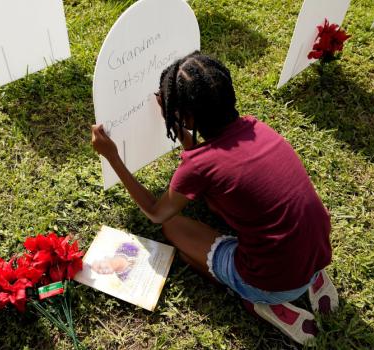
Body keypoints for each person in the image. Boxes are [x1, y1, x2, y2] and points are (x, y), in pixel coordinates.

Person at [91, 51, 338, 346]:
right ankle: (308, 281)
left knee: (175, 232)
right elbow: (213, 166)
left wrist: (113, 157)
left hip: (271, 281)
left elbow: (157, 213)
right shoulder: (256, 127)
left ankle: (260, 301)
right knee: (218, 203)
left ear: (187, 115)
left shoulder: (198, 167)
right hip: (317, 253)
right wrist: (181, 122)